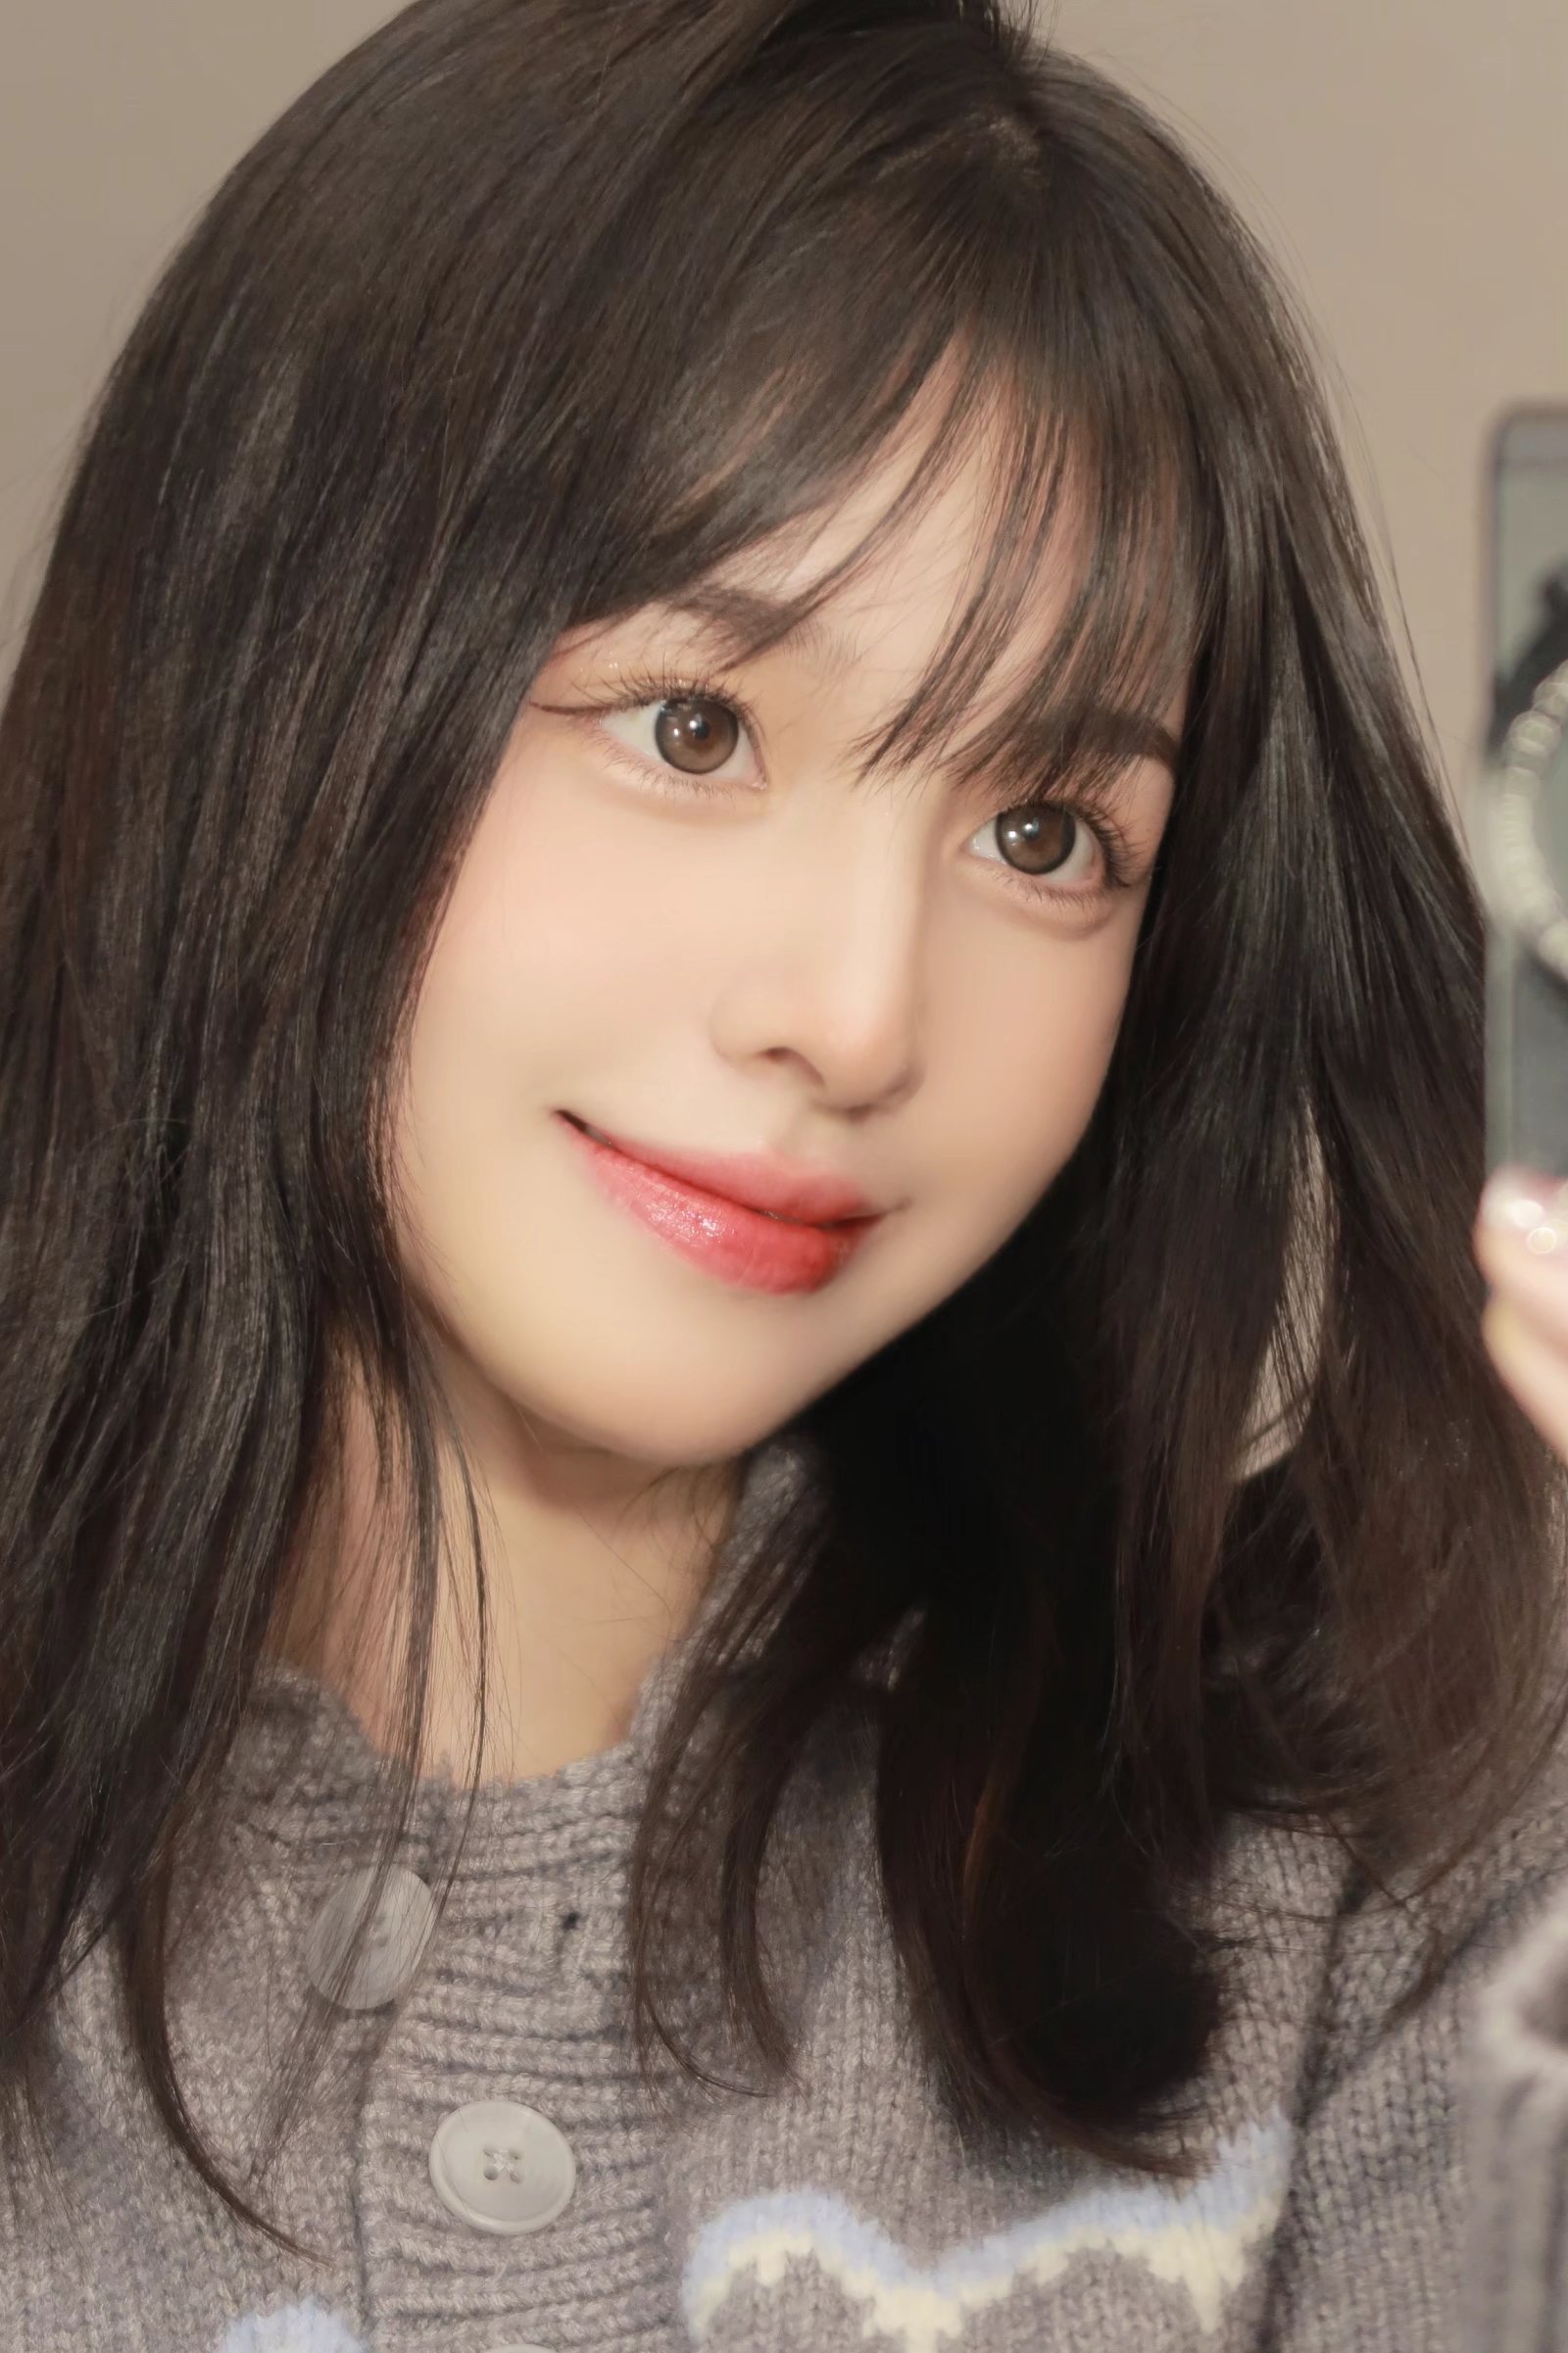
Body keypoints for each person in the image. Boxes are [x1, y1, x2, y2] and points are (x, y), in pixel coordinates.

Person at [1, 3, 1564, 2347]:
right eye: (692, 723)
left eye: (1043, 833)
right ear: (261, 671)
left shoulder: (1372, 1863)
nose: (855, 1014)